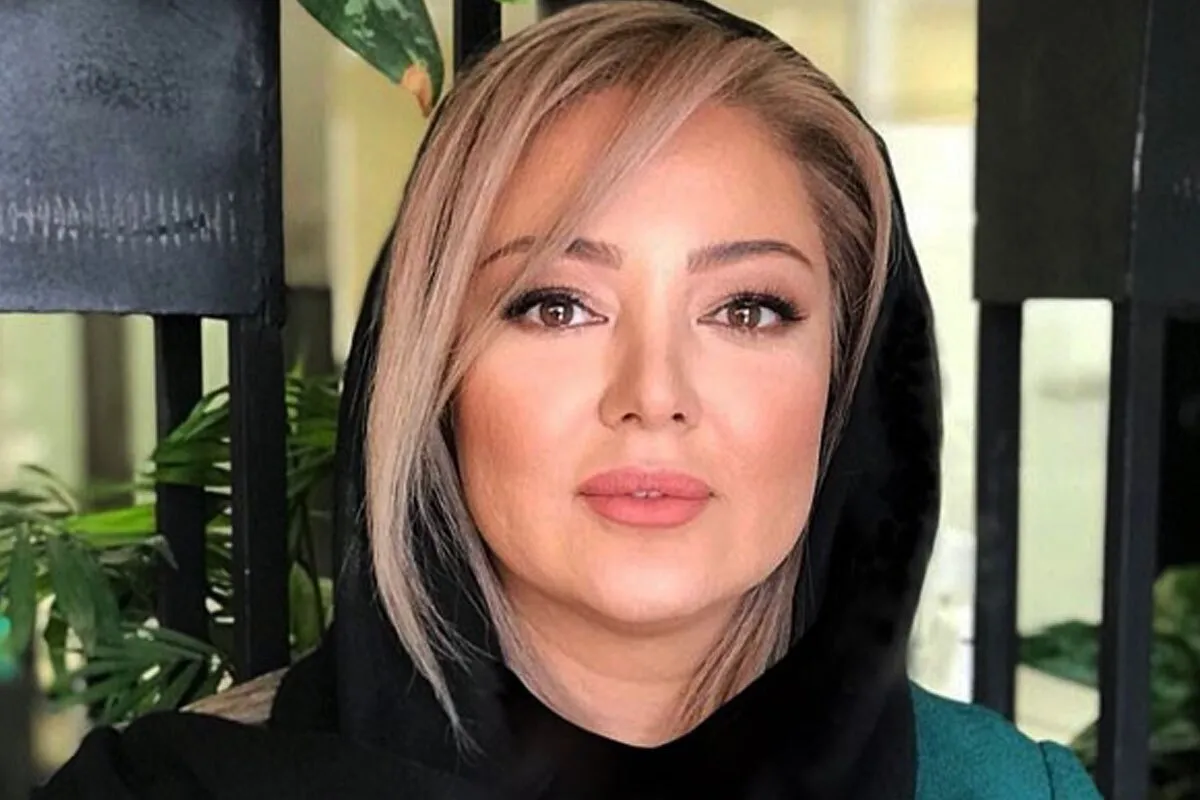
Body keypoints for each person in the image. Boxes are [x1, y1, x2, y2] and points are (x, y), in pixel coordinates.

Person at [34, 1, 1101, 797]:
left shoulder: (1012, 792)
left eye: (747, 309)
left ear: (848, 383)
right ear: (435, 372)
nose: (654, 395)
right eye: (556, 304)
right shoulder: (170, 791)